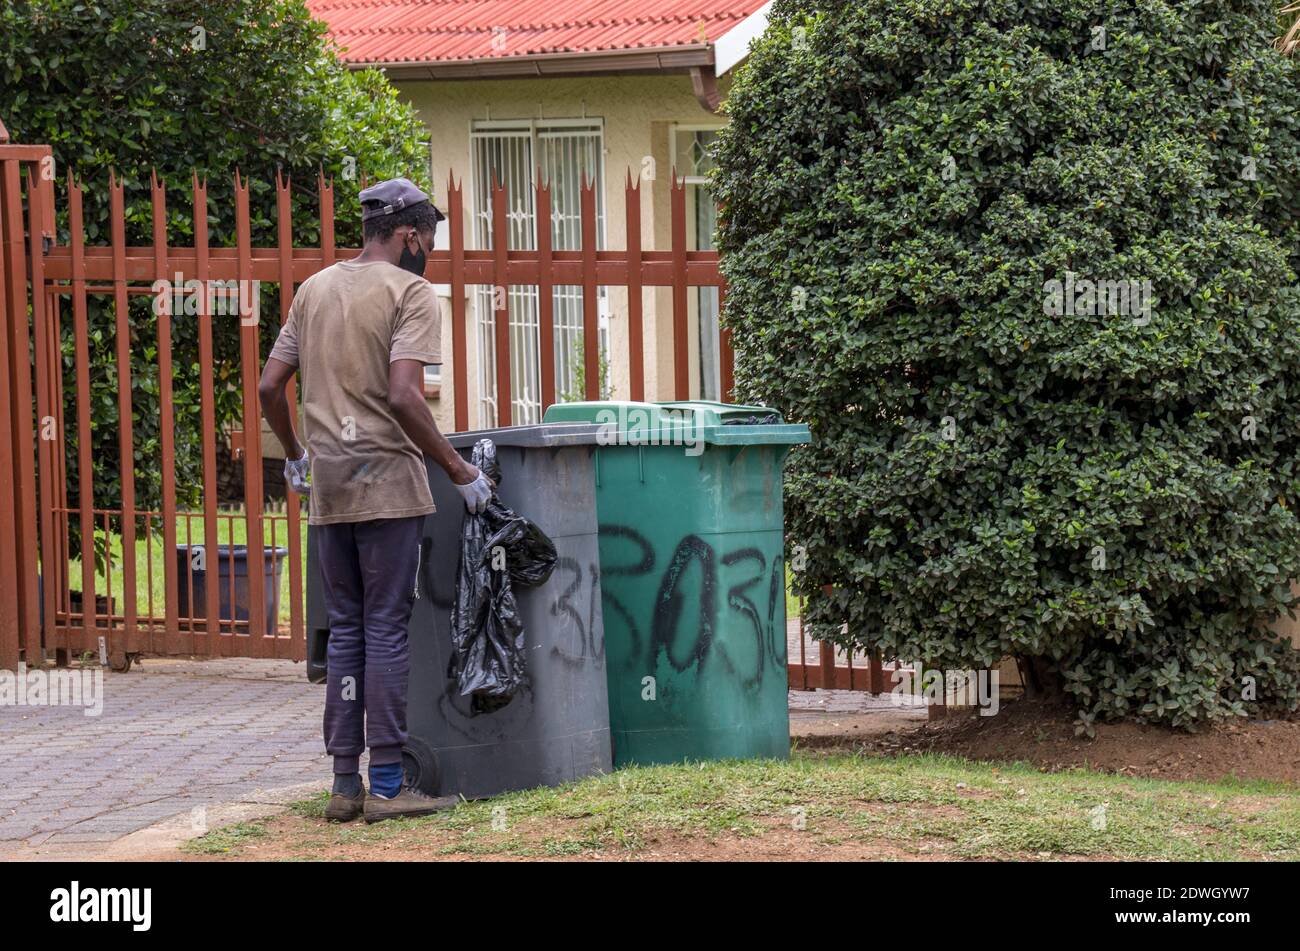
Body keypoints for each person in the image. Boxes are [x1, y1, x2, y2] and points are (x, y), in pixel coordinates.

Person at [259, 178, 492, 823]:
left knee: (346, 632)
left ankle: (344, 785)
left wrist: (299, 455)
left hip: (329, 487)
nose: (431, 253)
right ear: (410, 235)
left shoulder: (313, 291)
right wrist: (457, 470)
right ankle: (388, 785)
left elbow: (269, 387)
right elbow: (405, 396)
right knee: (387, 629)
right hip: (388, 485)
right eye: (431, 240)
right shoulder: (410, 292)